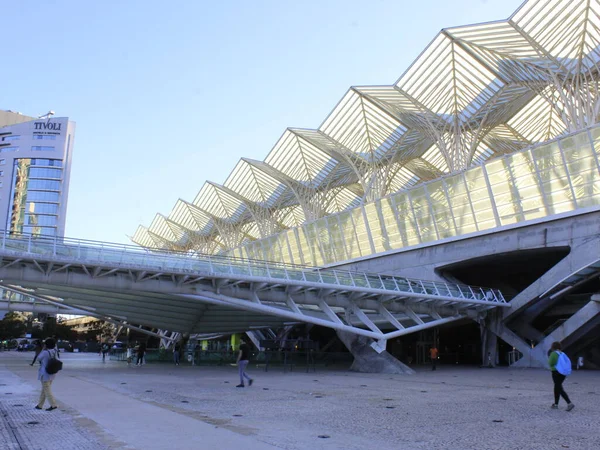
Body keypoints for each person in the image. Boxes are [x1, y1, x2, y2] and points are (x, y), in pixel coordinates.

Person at [548, 341, 574, 411]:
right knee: (557, 387)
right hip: (563, 373)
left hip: (556, 372)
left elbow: (550, 363)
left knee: (558, 388)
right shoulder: (562, 353)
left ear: (553, 347)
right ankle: (556, 404)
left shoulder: (553, 354)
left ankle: (569, 403)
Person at [35, 338, 59, 411]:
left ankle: (53, 405)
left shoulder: (45, 352)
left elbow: (38, 358)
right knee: (44, 389)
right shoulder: (54, 351)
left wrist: (43, 349)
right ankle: (40, 405)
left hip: (45, 374)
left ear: (46, 345)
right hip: (51, 373)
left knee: (47, 390)